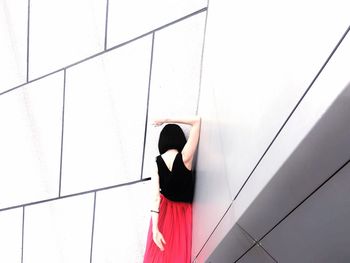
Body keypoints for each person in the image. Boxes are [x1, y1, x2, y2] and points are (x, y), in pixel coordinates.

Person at [143, 116, 201, 263]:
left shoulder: (156, 162)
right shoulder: (186, 157)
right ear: (180, 139)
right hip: (182, 213)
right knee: (178, 256)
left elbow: (155, 197)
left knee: (158, 256)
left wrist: (155, 228)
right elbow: (196, 121)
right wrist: (166, 118)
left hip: (163, 211)